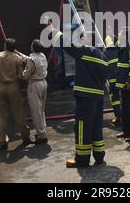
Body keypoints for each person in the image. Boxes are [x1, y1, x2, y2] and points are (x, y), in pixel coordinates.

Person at [50, 26, 109, 168]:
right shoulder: (103, 57)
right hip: (98, 97)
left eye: (82, 37)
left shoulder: (84, 51)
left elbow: (66, 44)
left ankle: (82, 160)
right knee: (96, 126)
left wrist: (53, 30)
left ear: (87, 39)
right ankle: (99, 157)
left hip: (85, 97)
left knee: (83, 127)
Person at [0, 39, 31, 150]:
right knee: (19, 112)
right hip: (13, 86)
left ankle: (2, 140)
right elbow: (20, 75)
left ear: (5, 46)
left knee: (1, 115)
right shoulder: (17, 58)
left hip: (0, 87)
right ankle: (25, 137)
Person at [22, 39, 48, 144]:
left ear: (33, 47)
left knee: (35, 111)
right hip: (43, 83)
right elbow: (30, 58)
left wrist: (22, 70)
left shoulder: (31, 60)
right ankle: (42, 129)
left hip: (34, 85)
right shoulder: (42, 56)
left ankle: (41, 135)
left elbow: (25, 75)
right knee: (41, 109)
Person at [105, 35, 122, 126]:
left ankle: (118, 118)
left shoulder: (105, 52)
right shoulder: (120, 50)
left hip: (112, 80)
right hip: (122, 79)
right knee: (124, 98)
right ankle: (127, 116)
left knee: (115, 99)